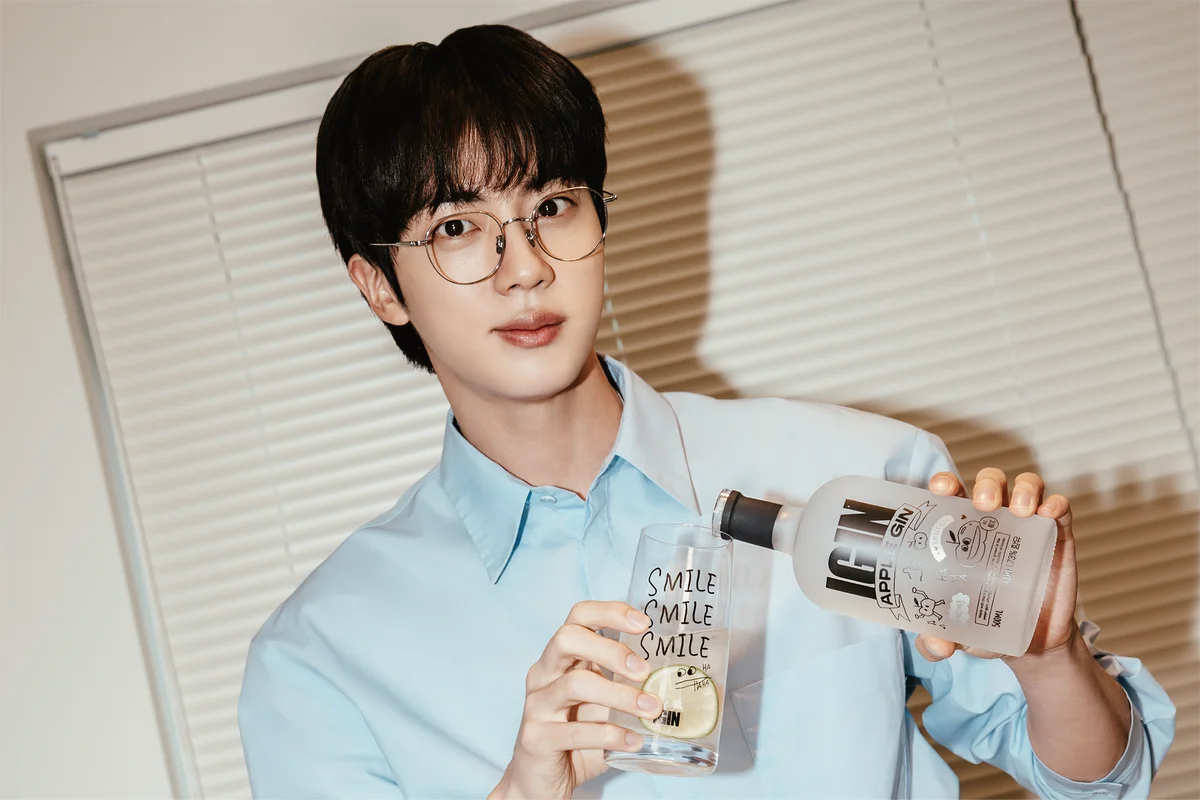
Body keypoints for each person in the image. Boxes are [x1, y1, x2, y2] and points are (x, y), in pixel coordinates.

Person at [237, 24, 1175, 800]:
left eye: (553, 206)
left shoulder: (850, 475)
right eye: (456, 228)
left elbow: (1101, 781)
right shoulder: (321, 657)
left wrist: (1048, 659)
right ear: (379, 286)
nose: (524, 268)